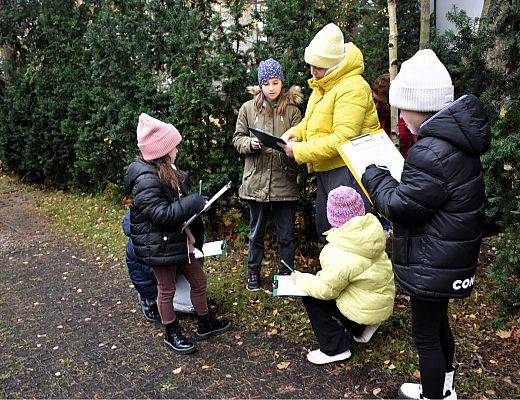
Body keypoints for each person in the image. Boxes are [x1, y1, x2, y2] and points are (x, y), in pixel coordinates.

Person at [361, 49, 491, 400]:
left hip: (433, 258)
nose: (401, 116)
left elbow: (401, 206)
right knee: (438, 325)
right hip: (448, 254)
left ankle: (433, 395)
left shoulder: (430, 150)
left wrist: (375, 176)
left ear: (420, 106)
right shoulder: (454, 142)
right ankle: (444, 389)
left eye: (403, 108)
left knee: (425, 336)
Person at [124, 113, 231, 355]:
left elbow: (178, 204)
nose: (177, 149)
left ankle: (206, 322)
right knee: (166, 289)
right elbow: (161, 214)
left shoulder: (169, 170)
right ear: (161, 150)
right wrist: (191, 204)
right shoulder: (145, 179)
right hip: (159, 245)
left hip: (181, 240)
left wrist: (197, 203)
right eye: (174, 146)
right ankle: (171, 332)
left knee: (199, 281)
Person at [279, 23, 382, 239]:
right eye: (311, 66)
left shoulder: (353, 87)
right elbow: (311, 121)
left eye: (319, 66)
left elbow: (342, 139)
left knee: (347, 237)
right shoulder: (323, 83)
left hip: (347, 170)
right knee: (328, 232)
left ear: (334, 64)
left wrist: (298, 151)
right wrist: (295, 133)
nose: (313, 71)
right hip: (327, 168)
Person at [291, 186, 395, 365]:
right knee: (347, 284)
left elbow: (325, 290)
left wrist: (301, 279)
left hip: (363, 307)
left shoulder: (339, 251)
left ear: (331, 216)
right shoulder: (371, 235)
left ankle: (335, 349)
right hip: (380, 304)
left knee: (312, 298)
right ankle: (362, 329)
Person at [232, 59, 303, 291]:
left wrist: (291, 146)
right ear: (259, 85)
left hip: (285, 181)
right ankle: (253, 272)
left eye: (275, 82)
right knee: (256, 232)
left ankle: (286, 274)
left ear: (282, 83)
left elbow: (302, 139)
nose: (271, 88)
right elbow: (237, 138)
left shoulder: (293, 111)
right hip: (256, 181)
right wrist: (249, 144)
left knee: (286, 234)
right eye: (266, 83)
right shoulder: (248, 108)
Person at [122, 210, 160, 323]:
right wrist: (150, 295)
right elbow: (141, 277)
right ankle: (148, 300)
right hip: (149, 281)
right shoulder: (137, 245)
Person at [371, 73, 414, 158]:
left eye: (381, 103)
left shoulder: (402, 123)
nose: (376, 106)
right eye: (374, 100)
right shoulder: (377, 113)